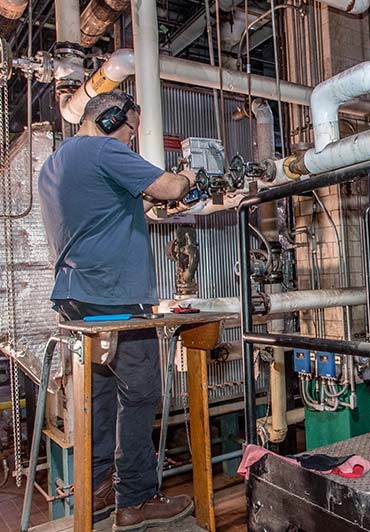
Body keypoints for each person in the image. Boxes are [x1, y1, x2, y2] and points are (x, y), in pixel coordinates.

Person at [38, 90, 197, 531]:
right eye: (130, 129)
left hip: (77, 299)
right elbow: (166, 187)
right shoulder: (104, 148)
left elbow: (104, 214)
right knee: (142, 392)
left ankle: (99, 492)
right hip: (116, 300)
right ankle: (136, 500)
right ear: (109, 120)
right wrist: (184, 178)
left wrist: (148, 203)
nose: (131, 139)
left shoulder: (57, 162)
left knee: (100, 398)